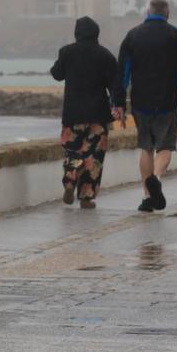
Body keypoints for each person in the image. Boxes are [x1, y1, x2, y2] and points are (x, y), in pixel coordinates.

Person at [117, 0, 177, 212]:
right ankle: (156, 178)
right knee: (165, 147)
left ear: (148, 12)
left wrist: (118, 103)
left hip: (140, 102)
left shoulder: (133, 35)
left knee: (146, 148)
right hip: (167, 101)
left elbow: (123, 72)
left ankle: (147, 197)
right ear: (167, 14)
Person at [50, 16, 124, 209]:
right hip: (98, 115)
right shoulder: (105, 55)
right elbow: (116, 86)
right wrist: (119, 106)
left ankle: (70, 180)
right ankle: (86, 198)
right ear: (96, 34)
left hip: (73, 114)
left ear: (77, 33)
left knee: (73, 151)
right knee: (94, 156)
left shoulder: (67, 52)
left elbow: (56, 74)